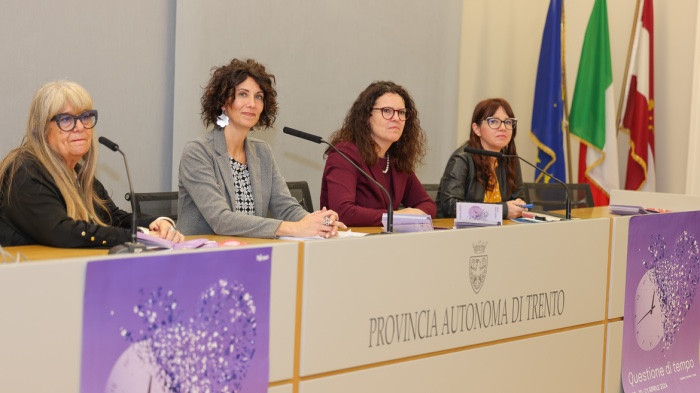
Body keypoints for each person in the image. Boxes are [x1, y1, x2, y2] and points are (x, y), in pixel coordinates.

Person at [0, 80, 183, 247]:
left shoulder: (77, 173)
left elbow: (113, 217)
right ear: (41, 129)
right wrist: (140, 235)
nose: (79, 127)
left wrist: (156, 223)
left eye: (85, 116)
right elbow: (61, 232)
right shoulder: (24, 171)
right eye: (66, 119)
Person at [178, 58, 344, 238]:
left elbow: (286, 208)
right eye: (243, 94)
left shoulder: (262, 151)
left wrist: (318, 222)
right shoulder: (198, 152)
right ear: (223, 102)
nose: (252, 103)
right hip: (204, 258)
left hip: (252, 252)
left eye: (258, 96)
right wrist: (294, 228)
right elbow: (221, 220)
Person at [320, 81, 436, 227]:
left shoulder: (395, 158)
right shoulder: (344, 154)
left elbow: (427, 204)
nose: (396, 118)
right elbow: (343, 213)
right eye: (387, 111)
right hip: (349, 244)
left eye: (401, 112)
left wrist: (412, 214)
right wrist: (396, 216)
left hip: (384, 242)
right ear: (367, 116)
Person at [436, 98, 526, 219]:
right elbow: (451, 207)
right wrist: (502, 210)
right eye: (494, 121)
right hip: (461, 232)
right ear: (476, 129)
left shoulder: (510, 158)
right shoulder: (461, 158)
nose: (503, 127)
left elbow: (518, 197)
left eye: (508, 122)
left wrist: (519, 205)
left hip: (500, 230)